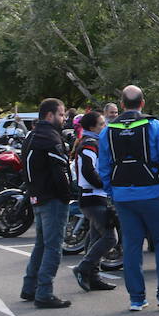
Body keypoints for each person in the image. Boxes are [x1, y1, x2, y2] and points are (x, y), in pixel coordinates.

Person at [98, 85, 159, 311]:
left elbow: (104, 167)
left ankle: (136, 299)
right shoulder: (154, 125)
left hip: (123, 195)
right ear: (142, 103)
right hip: (155, 193)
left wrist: (111, 191)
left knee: (132, 245)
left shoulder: (108, 131)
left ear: (121, 105)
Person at [19, 98, 74, 309]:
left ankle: (30, 287)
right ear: (50, 115)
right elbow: (60, 172)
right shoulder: (50, 137)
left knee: (41, 244)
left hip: (37, 197)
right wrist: (67, 194)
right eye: (61, 115)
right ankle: (44, 292)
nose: (64, 119)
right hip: (52, 199)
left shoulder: (31, 135)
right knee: (53, 246)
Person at [71, 110, 116, 292]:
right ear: (92, 127)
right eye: (101, 124)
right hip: (92, 197)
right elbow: (89, 172)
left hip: (96, 197)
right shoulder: (89, 145)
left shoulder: (94, 143)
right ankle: (83, 267)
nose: (104, 126)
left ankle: (94, 276)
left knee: (95, 237)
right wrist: (107, 185)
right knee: (110, 238)